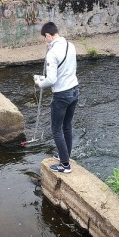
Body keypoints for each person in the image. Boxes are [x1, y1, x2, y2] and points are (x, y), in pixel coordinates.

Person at [34, 22, 79, 173]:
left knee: (56, 129)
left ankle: (65, 165)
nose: (44, 40)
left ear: (49, 35)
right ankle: (64, 155)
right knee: (67, 126)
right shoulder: (70, 45)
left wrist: (40, 82)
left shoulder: (52, 54)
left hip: (62, 95)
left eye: (45, 38)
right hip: (74, 90)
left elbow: (51, 80)